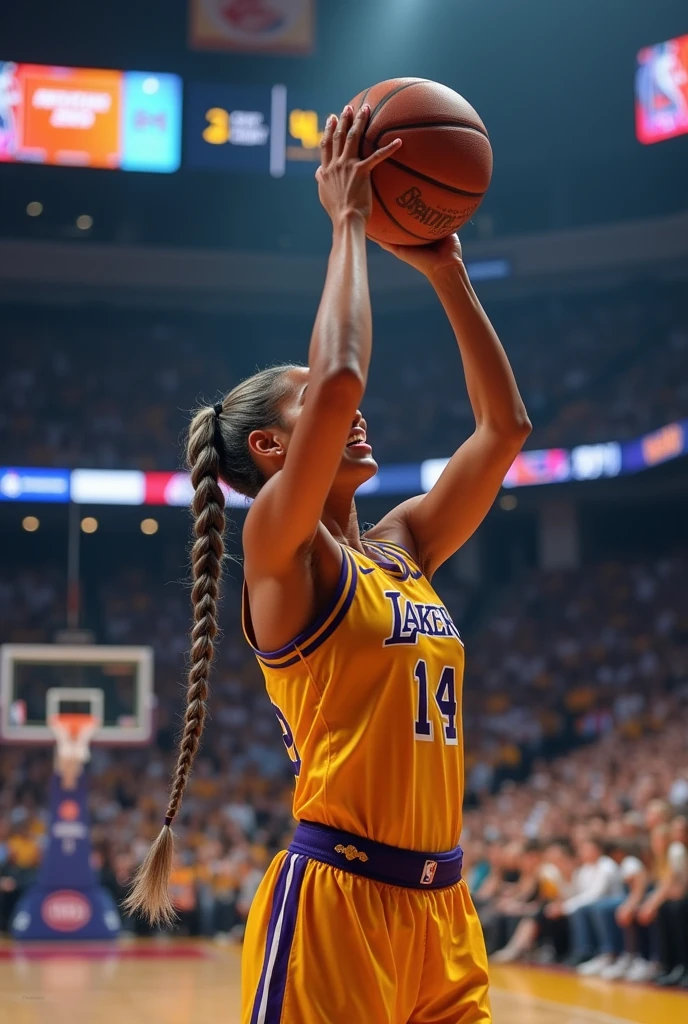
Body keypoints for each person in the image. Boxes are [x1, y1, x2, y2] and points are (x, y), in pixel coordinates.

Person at [126, 101, 531, 1022]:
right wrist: (348, 220)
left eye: (335, 400)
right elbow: (344, 372)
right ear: (271, 449)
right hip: (335, 906)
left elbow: (505, 430)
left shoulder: (401, 547)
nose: (351, 409)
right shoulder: (280, 547)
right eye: (313, 406)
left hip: (443, 909)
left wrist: (449, 273)